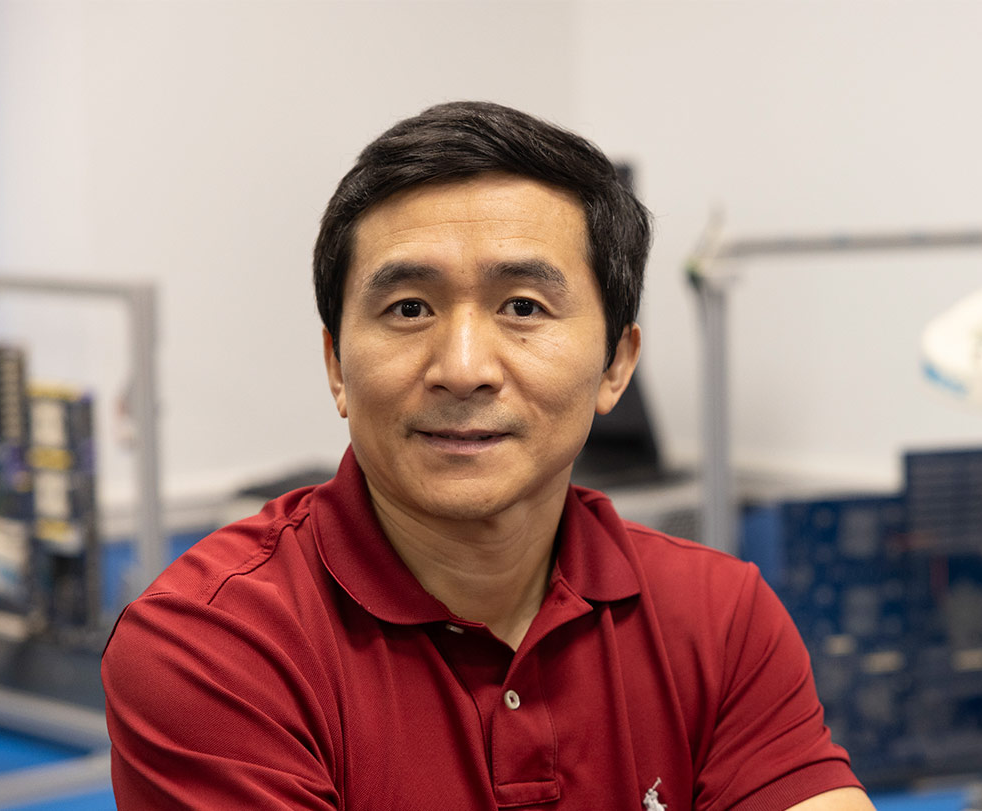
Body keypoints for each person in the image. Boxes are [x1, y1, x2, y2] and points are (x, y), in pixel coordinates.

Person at [102, 101, 875, 811]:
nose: (463, 365)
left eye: (523, 307)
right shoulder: (212, 645)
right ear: (337, 365)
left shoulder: (717, 615)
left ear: (615, 364)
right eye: (409, 308)